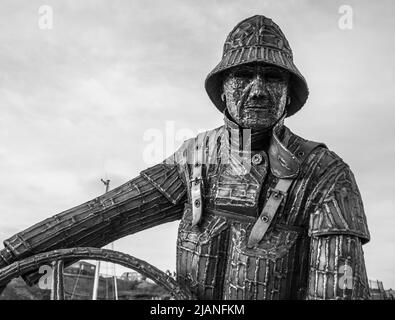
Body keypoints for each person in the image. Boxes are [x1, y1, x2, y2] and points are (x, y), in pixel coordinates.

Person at [0, 15, 370, 299]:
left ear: (289, 93)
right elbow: (107, 214)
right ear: (223, 90)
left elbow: (339, 286)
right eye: (244, 75)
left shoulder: (324, 174)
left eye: (272, 77)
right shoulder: (195, 160)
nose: (257, 90)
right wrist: (10, 254)